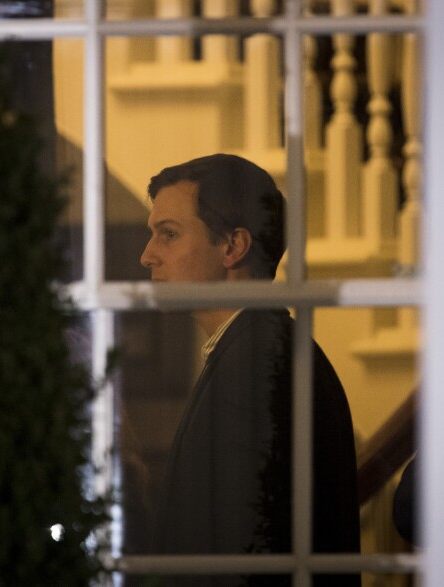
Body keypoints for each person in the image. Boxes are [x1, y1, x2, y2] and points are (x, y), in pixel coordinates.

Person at [140, 154, 360, 586]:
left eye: (168, 234)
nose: (148, 256)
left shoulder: (258, 365)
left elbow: (247, 562)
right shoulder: (259, 350)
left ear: (232, 246)